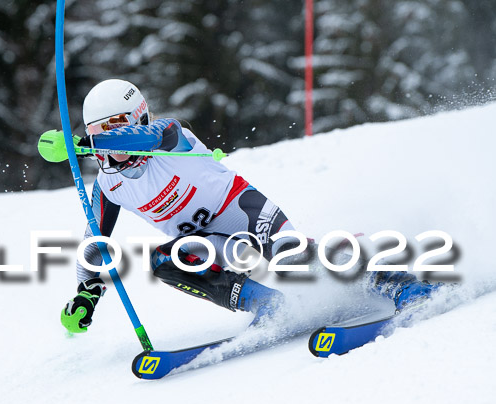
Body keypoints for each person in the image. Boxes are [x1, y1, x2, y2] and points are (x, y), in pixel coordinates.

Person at [60, 79, 441, 334]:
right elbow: (94, 243)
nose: (110, 148)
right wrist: (86, 292)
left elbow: (160, 133)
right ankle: (273, 309)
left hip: (241, 209)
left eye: (117, 130)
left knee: (296, 258)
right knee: (162, 261)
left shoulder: (172, 138)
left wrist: (97, 140)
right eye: (99, 134)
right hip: (204, 241)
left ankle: (398, 283)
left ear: (140, 119)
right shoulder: (109, 185)